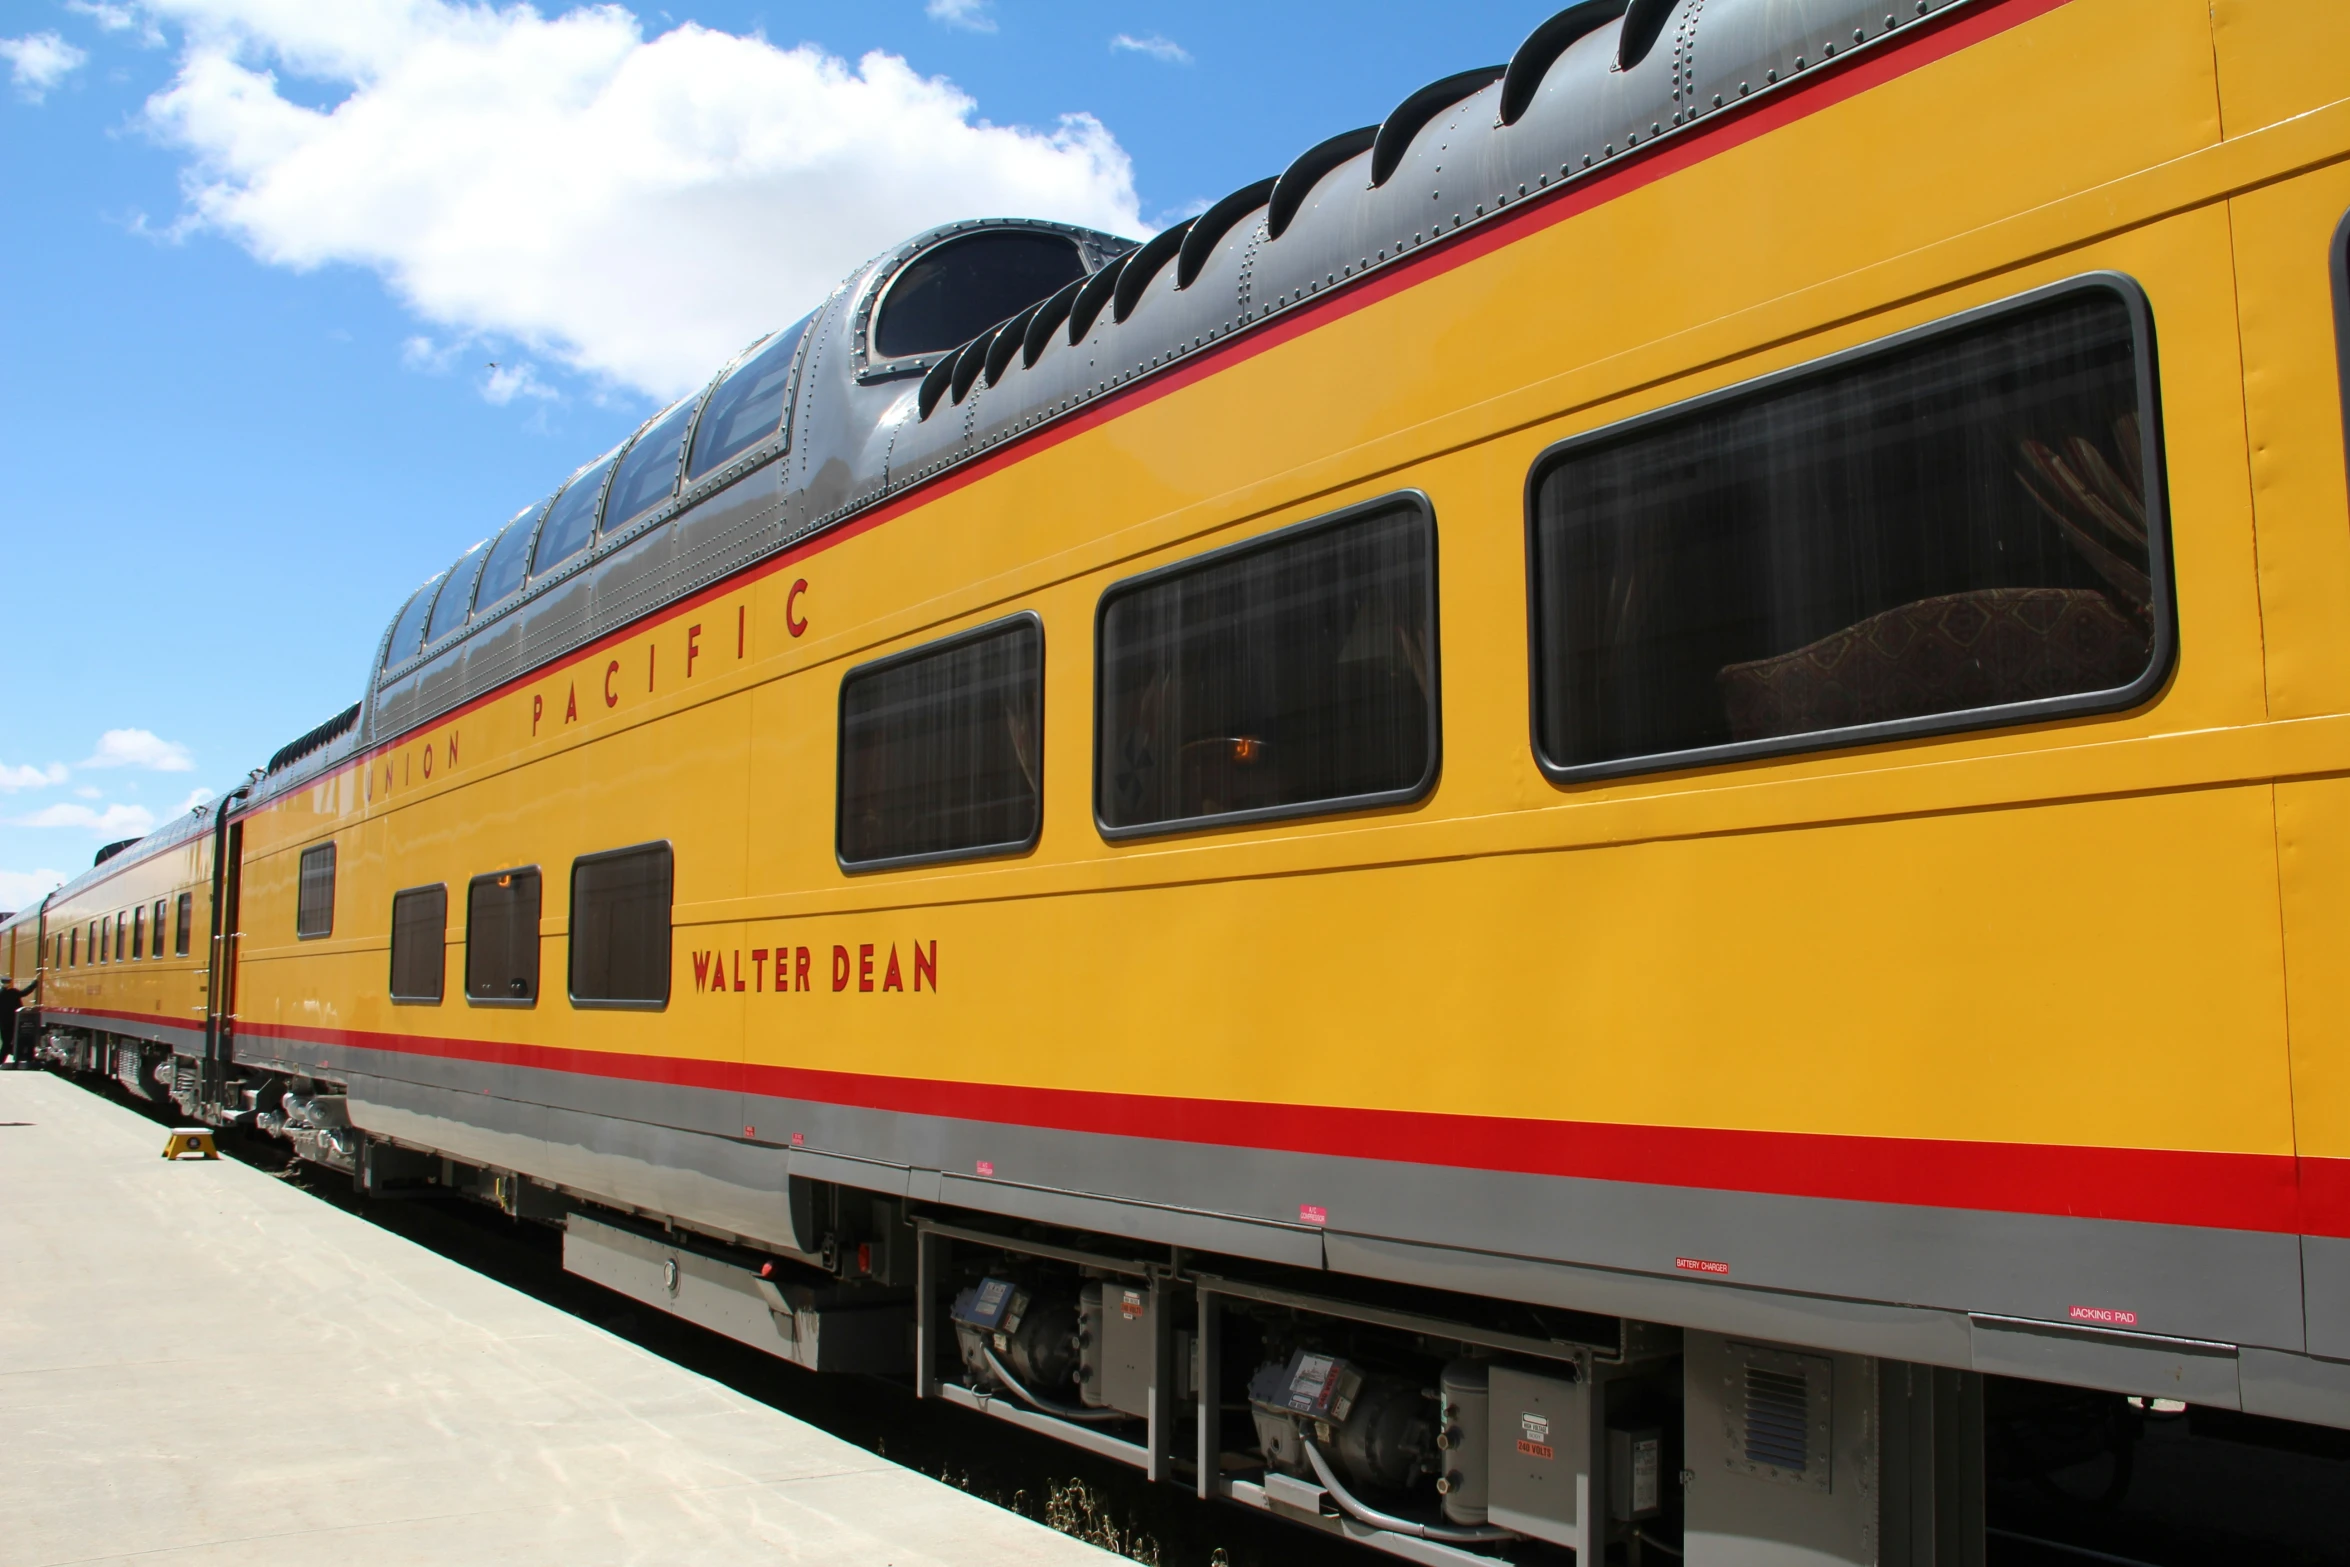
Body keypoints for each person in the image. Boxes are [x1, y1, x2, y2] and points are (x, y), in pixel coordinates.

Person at [0, 976, 27, 1068]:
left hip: (4, 1023)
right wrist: (35, 983)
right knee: (12, 1041)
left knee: (6, 1042)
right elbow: (24, 992)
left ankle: (3, 1060)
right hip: (15, 1021)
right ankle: (14, 1060)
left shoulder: (1, 993)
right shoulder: (13, 992)